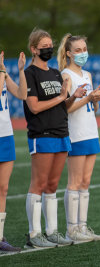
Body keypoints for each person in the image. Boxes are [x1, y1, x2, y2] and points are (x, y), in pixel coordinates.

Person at [23, 28, 86, 248]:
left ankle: (51, 232)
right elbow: (34, 106)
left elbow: (63, 104)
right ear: (34, 49)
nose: (49, 49)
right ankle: (34, 234)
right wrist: (60, 96)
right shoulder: (30, 73)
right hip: (42, 134)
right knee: (38, 184)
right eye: (44, 47)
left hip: (61, 133)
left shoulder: (56, 73)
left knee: (52, 185)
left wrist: (72, 97)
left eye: (51, 45)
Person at [57, 33, 100, 242]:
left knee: (86, 182)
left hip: (91, 131)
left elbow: (92, 107)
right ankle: (72, 230)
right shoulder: (65, 75)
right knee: (75, 182)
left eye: (84, 49)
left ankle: (83, 227)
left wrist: (96, 98)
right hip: (76, 133)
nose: (82, 53)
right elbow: (66, 108)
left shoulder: (87, 74)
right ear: (69, 53)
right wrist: (88, 97)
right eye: (77, 50)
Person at [0, 51, 27, 253]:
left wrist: (19, 71)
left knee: (3, 188)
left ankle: (0, 237)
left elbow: (22, 94)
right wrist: (2, 71)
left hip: (5, 134)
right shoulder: (0, 71)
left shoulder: (2, 72)